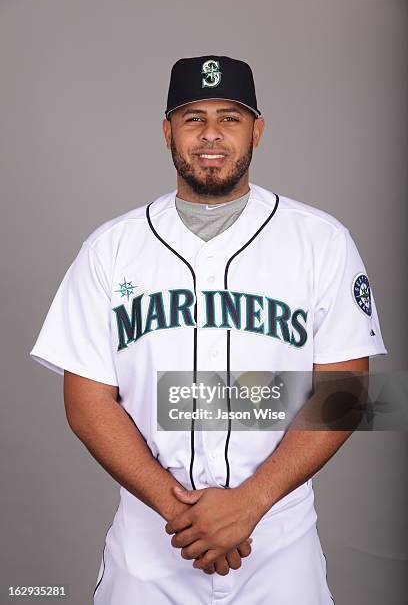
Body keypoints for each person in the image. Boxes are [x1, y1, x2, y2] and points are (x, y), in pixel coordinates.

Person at [29, 55, 387, 604]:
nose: (211, 134)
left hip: (278, 542)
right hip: (152, 540)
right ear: (167, 130)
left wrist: (249, 504)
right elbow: (86, 402)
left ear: (257, 130)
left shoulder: (321, 241)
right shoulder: (111, 248)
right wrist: (182, 513)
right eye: (194, 117)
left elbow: (347, 388)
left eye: (230, 117)